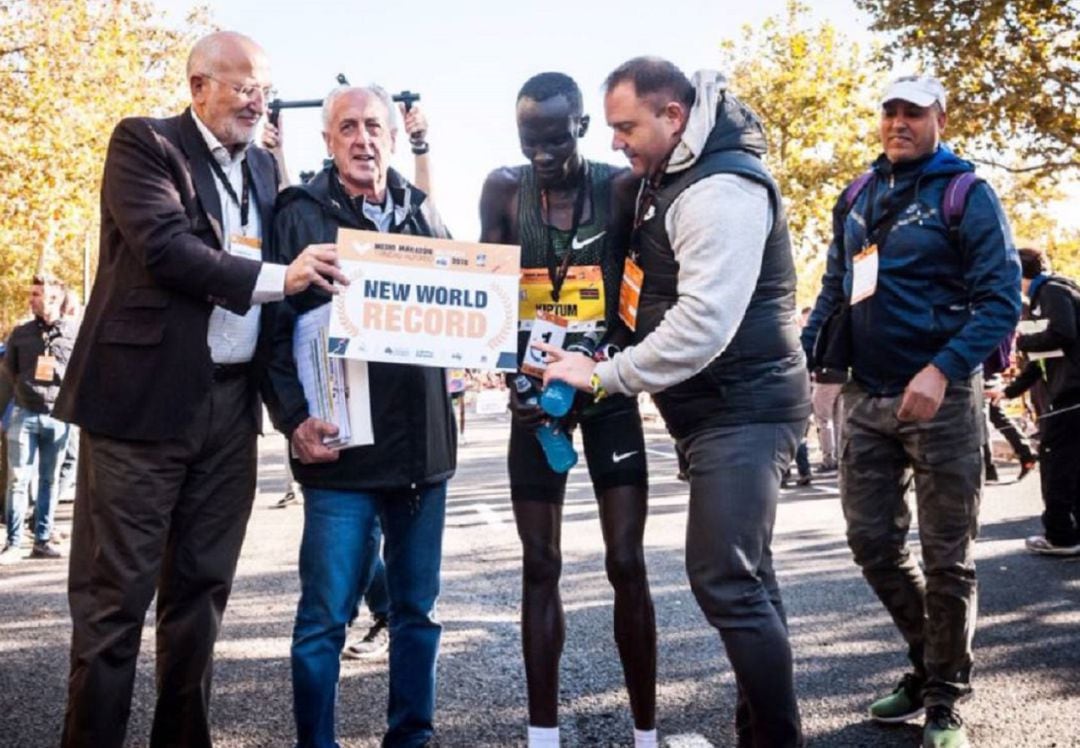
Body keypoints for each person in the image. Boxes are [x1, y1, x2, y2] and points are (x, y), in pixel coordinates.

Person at [53, 31, 347, 748]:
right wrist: (283, 277)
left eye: (264, 88)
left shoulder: (269, 172)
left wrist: (294, 415)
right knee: (113, 608)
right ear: (197, 86)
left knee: (201, 600)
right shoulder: (145, 146)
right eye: (242, 83)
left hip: (227, 416)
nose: (256, 99)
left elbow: (282, 316)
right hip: (139, 410)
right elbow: (166, 249)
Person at [539, 58, 809, 748]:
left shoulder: (719, 190)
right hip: (718, 409)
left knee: (722, 576)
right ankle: (761, 737)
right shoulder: (677, 174)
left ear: (674, 116)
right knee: (749, 580)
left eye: (626, 126)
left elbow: (700, 328)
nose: (615, 143)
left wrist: (604, 376)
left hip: (745, 408)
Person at [801, 75, 1021, 748]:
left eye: (913, 113)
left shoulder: (967, 195)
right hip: (867, 394)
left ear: (939, 119)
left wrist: (942, 370)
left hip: (942, 399)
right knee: (872, 544)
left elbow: (1000, 301)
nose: (899, 122)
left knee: (948, 559)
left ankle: (945, 701)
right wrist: (811, 366)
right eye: (890, 111)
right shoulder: (857, 196)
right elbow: (835, 287)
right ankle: (933, 664)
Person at [263, 84, 455, 748]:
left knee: (416, 615)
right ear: (328, 141)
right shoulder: (297, 213)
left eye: (374, 126)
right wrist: (293, 421)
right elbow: (271, 336)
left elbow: (462, 309)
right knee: (324, 620)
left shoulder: (424, 213)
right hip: (339, 453)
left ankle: (413, 738)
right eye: (347, 128)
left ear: (393, 137)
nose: (362, 139)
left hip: (423, 451)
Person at [479, 71, 656, 748]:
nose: (544, 154)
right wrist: (510, 377)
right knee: (540, 565)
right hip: (535, 393)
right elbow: (490, 292)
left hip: (604, 387)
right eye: (532, 140)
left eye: (557, 138)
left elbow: (642, 287)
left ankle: (646, 731)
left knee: (626, 562)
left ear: (582, 125)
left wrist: (614, 358)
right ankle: (543, 735)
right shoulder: (503, 189)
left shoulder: (619, 187)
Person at [990, 248, 1080, 556]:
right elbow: (1041, 363)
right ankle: (1071, 531)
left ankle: (1060, 536)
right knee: (1071, 466)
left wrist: (1022, 340)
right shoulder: (1056, 291)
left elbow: (1063, 334)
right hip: (1067, 393)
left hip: (1070, 395)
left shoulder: (1051, 292)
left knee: (1055, 463)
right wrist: (1010, 392)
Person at [0, 274, 76, 563]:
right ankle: (14, 543)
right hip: (23, 413)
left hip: (58, 417)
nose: (31, 299)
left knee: (50, 480)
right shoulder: (20, 333)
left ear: (54, 299)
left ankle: (41, 541)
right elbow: (7, 374)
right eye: (31, 293)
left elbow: (81, 374)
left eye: (36, 294)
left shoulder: (73, 333)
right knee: (18, 480)